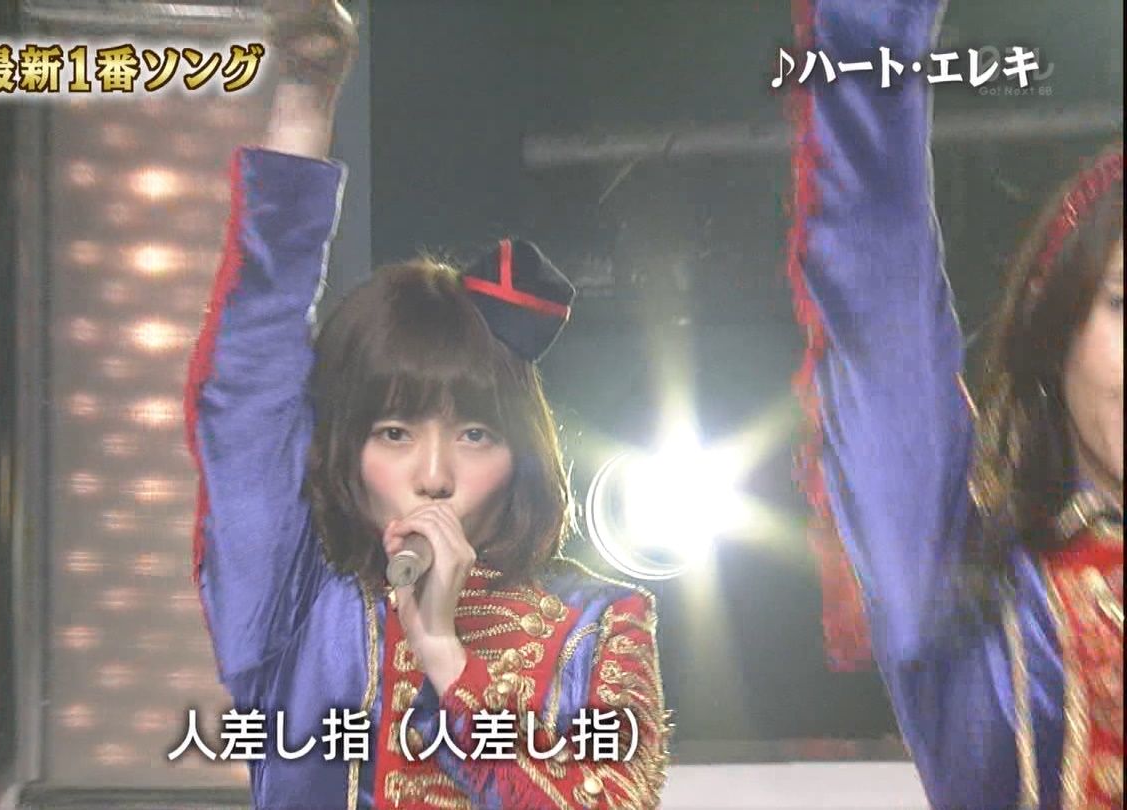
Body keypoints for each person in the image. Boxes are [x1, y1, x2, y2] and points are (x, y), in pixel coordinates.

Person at [182, 2, 669, 807]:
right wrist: (305, 97)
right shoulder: (301, 601)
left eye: (474, 433)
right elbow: (247, 388)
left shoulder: (599, 622)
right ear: (346, 453)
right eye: (395, 432)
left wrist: (443, 651)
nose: (434, 474)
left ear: (522, 452)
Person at [787, 1, 1123, 807]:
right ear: (1058, 328)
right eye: (1125, 303)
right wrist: (872, 28)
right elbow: (876, 279)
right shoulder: (972, 587)